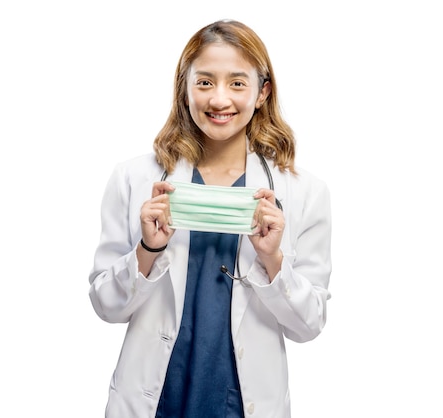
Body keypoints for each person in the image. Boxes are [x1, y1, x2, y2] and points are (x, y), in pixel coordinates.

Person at [88, 19, 332, 418]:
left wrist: (273, 261)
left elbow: (309, 325)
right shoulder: (134, 178)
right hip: (157, 401)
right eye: (204, 82)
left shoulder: (304, 192)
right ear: (185, 90)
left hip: (241, 404)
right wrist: (148, 249)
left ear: (262, 92)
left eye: (237, 83)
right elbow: (106, 305)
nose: (220, 99)